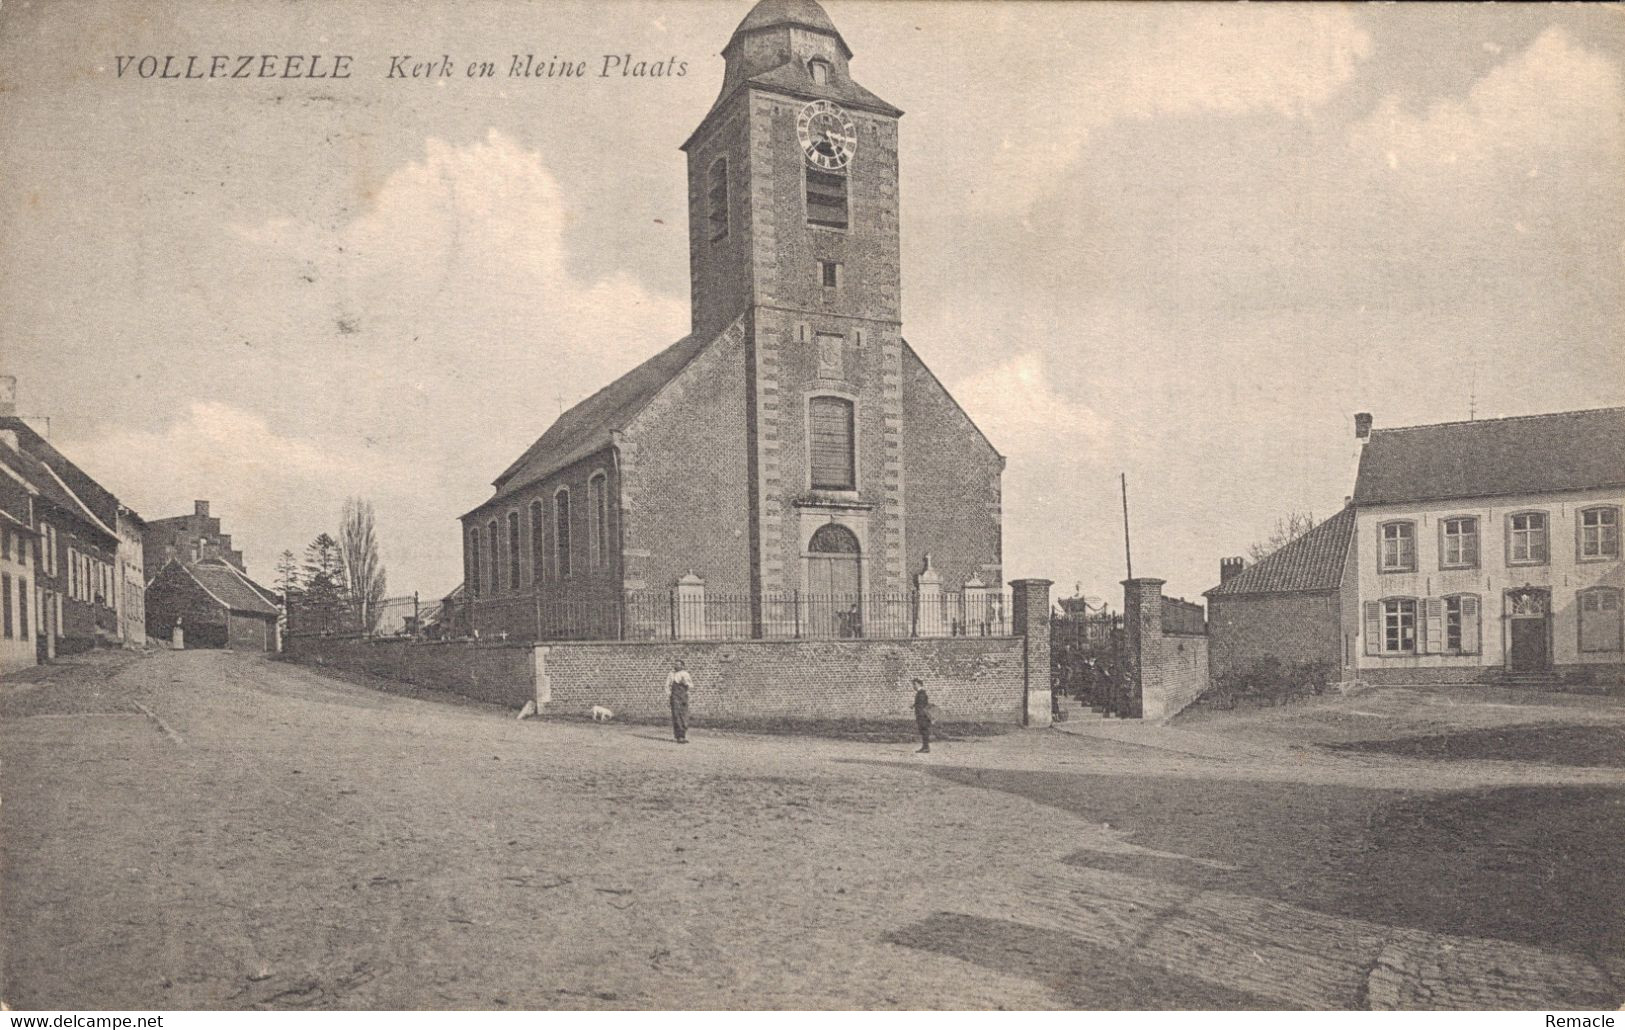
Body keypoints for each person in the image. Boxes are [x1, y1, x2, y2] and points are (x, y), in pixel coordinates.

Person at [665, 658, 693, 744]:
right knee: (676, 715)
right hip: (675, 697)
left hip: (683, 696)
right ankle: (679, 736)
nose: (676, 666)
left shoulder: (685, 674)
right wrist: (670, 695)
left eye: (678, 664)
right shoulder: (671, 674)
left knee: (684, 715)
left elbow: (691, 685)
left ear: (682, 666)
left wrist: (685, 683)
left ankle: (683, 735)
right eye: (675, 664)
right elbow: (667, 685)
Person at [912, 679, 933, 753]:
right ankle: (925, 747)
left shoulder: (921, 693)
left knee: (924, 731)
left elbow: (921, 705)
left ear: (919, 684)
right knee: (923, 731)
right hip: (922, 715)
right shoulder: (921, 693)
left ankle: (926, 747)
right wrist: (914, 705)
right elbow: (920, 703)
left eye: (914, 684)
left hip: (922, 716)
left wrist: (920, 716)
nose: (913, 686)